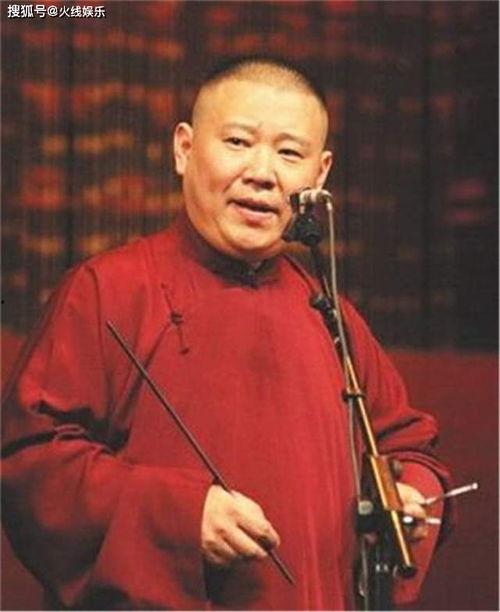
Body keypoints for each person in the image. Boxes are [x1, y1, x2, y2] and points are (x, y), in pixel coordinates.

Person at [2, 57, 451, 610]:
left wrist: (410, 497)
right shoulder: (109, 290)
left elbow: (408, 449)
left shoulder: (330, 313)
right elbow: (33, 464)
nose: (263, 173)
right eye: (238, 142)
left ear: (319, 176)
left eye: (289, 153)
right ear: (184, 150)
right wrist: (181, 516)